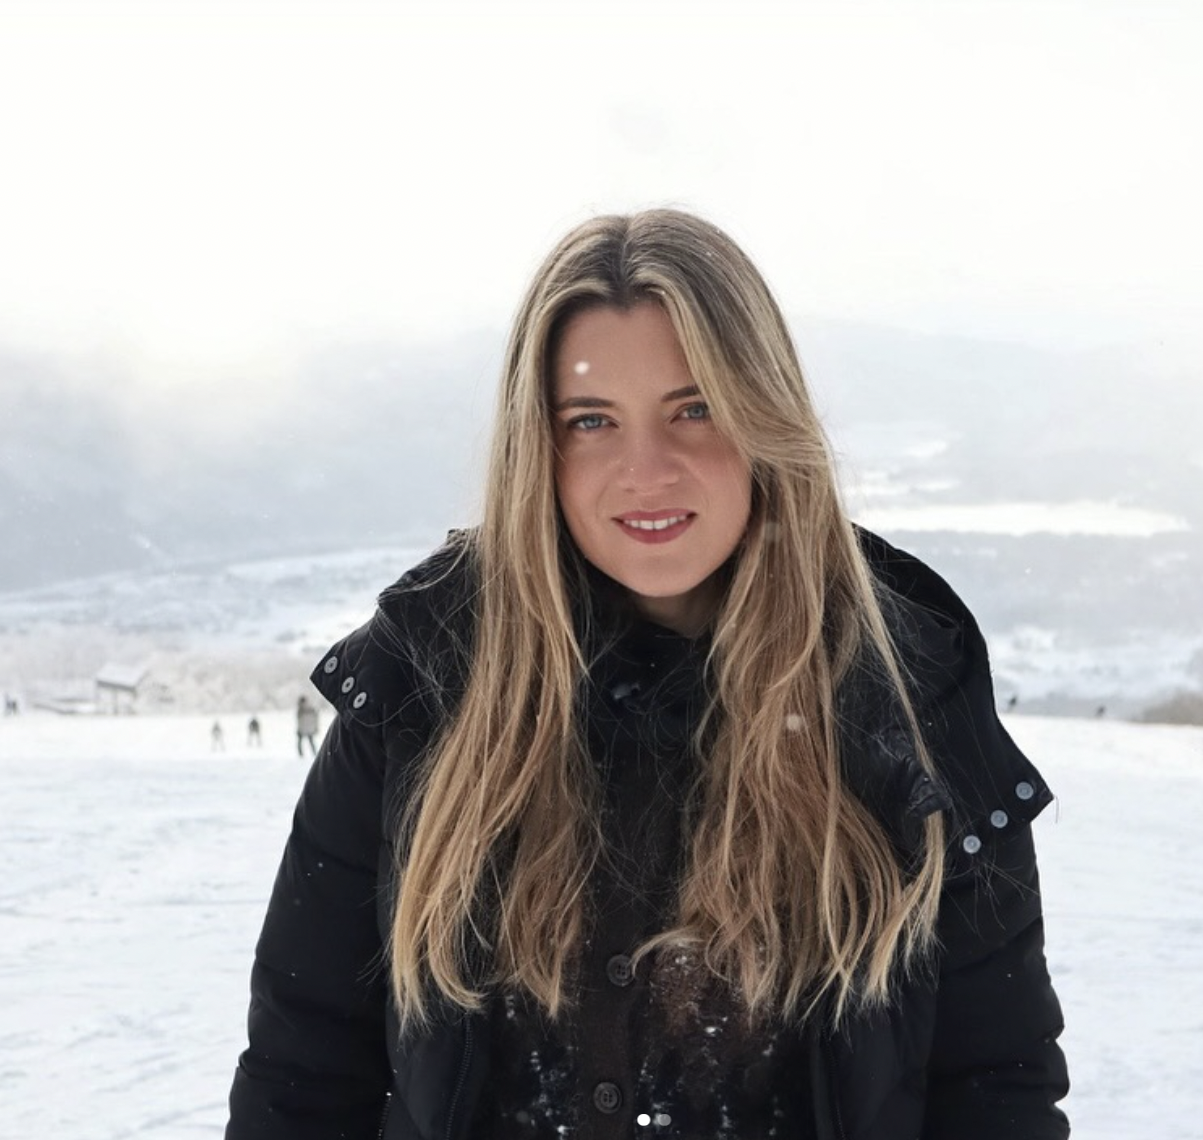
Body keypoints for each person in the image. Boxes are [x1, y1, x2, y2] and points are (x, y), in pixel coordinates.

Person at [226, 210, 1069, 1139]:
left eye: (695, 407)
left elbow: (997, 1089)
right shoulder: (427, 678)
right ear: (535, 447)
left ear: (765, 417)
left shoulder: (905, 691)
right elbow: (301, 1077)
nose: (647, 470)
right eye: (592, 421)